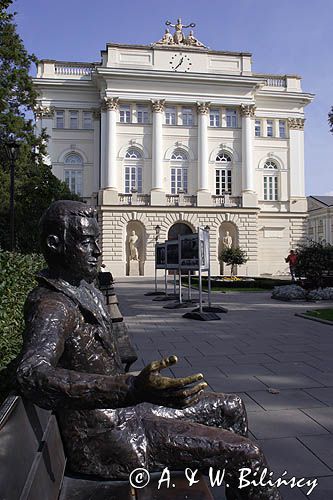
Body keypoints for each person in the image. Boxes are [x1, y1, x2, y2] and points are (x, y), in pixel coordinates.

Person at [16, 200, 281, 500]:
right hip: (108, 437)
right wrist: (130, 386)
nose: (97, 251)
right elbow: (31, 373)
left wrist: (132, 381)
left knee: (230, 407)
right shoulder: (53, 306)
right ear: (55, 244)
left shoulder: (82, 288)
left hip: (127, 412)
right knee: (248, 455)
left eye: (97, 241)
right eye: (87, 242)